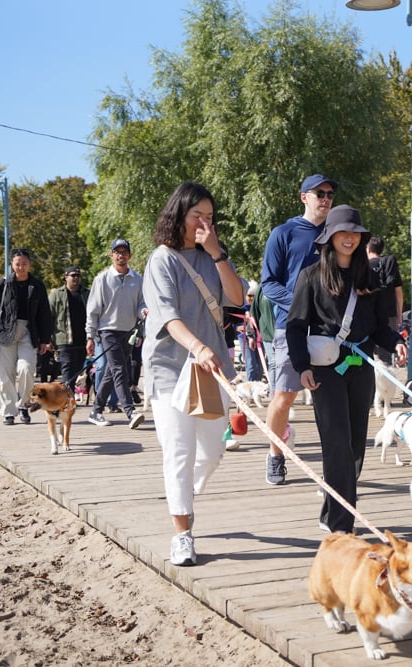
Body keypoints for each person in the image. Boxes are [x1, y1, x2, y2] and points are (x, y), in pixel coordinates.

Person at [286, 205, 406, 534]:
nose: (349, 237)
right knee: (336, 442)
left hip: (361, 366)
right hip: (324, 369)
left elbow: (382, 325)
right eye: (342, 232)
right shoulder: (311, 276)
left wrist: (394, 340)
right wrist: (301, 366)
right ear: (330, 238)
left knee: (354, 445)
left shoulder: (372, 278)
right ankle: (343, 525)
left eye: (355, 232)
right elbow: (295, 326)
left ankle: (332, 510)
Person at [142, 181, 244, 566]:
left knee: (214, 450)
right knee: (178, 452)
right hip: (171, 366)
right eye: (197, 215)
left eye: (210, 217)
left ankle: (182, 495)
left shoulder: (210, 256)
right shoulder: (161, 259)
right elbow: (168, 317)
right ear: (179, 215)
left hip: (210, 368)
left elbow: (236, 298)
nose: (204, 222)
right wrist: (197, 347)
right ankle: (182, 532)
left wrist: (218, 253)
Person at [260, 173, 336, 485]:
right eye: (320, 193)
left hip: (331, 330)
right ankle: (275, 455)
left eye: (331, 193)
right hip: (290, 327)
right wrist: (302, 302)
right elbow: (268, 284)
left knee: (331, 398)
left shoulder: (337, 233)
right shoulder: (284, 233)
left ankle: (335, 466)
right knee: (284, 397)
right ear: (304, 196)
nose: (326, 198)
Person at [0, 248, 54, 426]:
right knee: (6, 373)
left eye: (24, 264)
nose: (21, 267)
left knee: (27, 369)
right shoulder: (3, 284)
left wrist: (45, 339)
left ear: (29, 264)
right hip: (6, 332)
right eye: (17, 264)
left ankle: (24, 404)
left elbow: (45, 313)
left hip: (29, 332)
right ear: (12, 265)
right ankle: (8, 412)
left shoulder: (37, 285)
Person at [85, 239, 146, 429]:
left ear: (130, 255)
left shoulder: (138, 279)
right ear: (111, 255)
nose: (121, 255)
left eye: (124, 252)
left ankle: (96, 410)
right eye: (117, 252)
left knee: (112, 372)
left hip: (128, 331)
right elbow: (93, 309)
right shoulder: (102, 279)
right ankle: (130, 411)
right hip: (107, 331)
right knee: (120, 370)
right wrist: (90, 335)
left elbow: (141, 304)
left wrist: (143, 316)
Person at [49, 266, 90, 394]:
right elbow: (48, 316)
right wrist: (47, 338)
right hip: (64, 338)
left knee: (78, 369)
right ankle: (66, 399)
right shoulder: (56, 294)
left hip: (83, 338)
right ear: (65, 277)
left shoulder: (86, 293)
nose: (76, 278)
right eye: (73, 275)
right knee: (67, 368)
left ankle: (67, 395)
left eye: (78, 276)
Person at [366, 236, 403, 365]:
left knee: (368, 353)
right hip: (390, 314)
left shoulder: (364, 267)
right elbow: (398, 292)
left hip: (369, 315)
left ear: (368, 249)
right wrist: (399, 315)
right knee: (386, 356)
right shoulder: (390, 265)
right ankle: (386, 381)